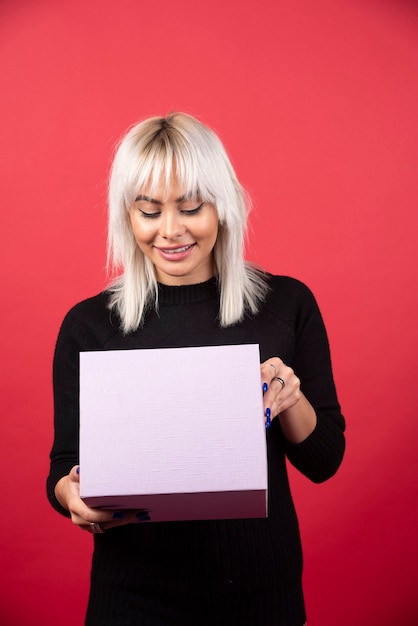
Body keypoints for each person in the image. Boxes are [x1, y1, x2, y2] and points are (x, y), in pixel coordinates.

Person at [47, 112, 345, 626]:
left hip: (260, 592)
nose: (170, 231)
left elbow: (325, 460)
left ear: (222, 205)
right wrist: (71, 494)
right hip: (134, 595)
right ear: (127, 216)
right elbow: (65, 465)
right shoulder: (91, 325)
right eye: (148, 211)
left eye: (190, 208)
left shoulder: (285, 305)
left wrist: (290, 399)